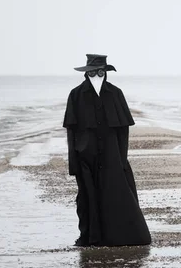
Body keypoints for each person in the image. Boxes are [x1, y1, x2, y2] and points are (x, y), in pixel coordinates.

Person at [63, 54, 151, 247]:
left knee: (118, 195)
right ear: (86, 74)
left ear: (106, 73)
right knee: (86, 198)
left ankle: (124, 236)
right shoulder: (75, 95)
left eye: (100, 73)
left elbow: (123, 131)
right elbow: (71, 132)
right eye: (92, 73)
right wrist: (74, 163)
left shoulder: (116, 93)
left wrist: (121, 160)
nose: (96, 77)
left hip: (113, 157)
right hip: (85, 157)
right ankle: (88, 236)